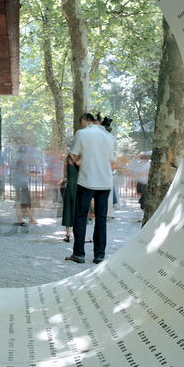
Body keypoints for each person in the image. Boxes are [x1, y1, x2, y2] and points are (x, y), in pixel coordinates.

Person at [65, 112, 115, 264]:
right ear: (100, 120)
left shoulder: (81, 133)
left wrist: (77, 158)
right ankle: (99, 255)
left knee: (80, 216)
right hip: (105, 182)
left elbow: (73, 157)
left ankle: (79, 254)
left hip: (87, 180)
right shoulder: (110, 137)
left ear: (87, 119)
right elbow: (112, 163)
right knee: (101, 219)